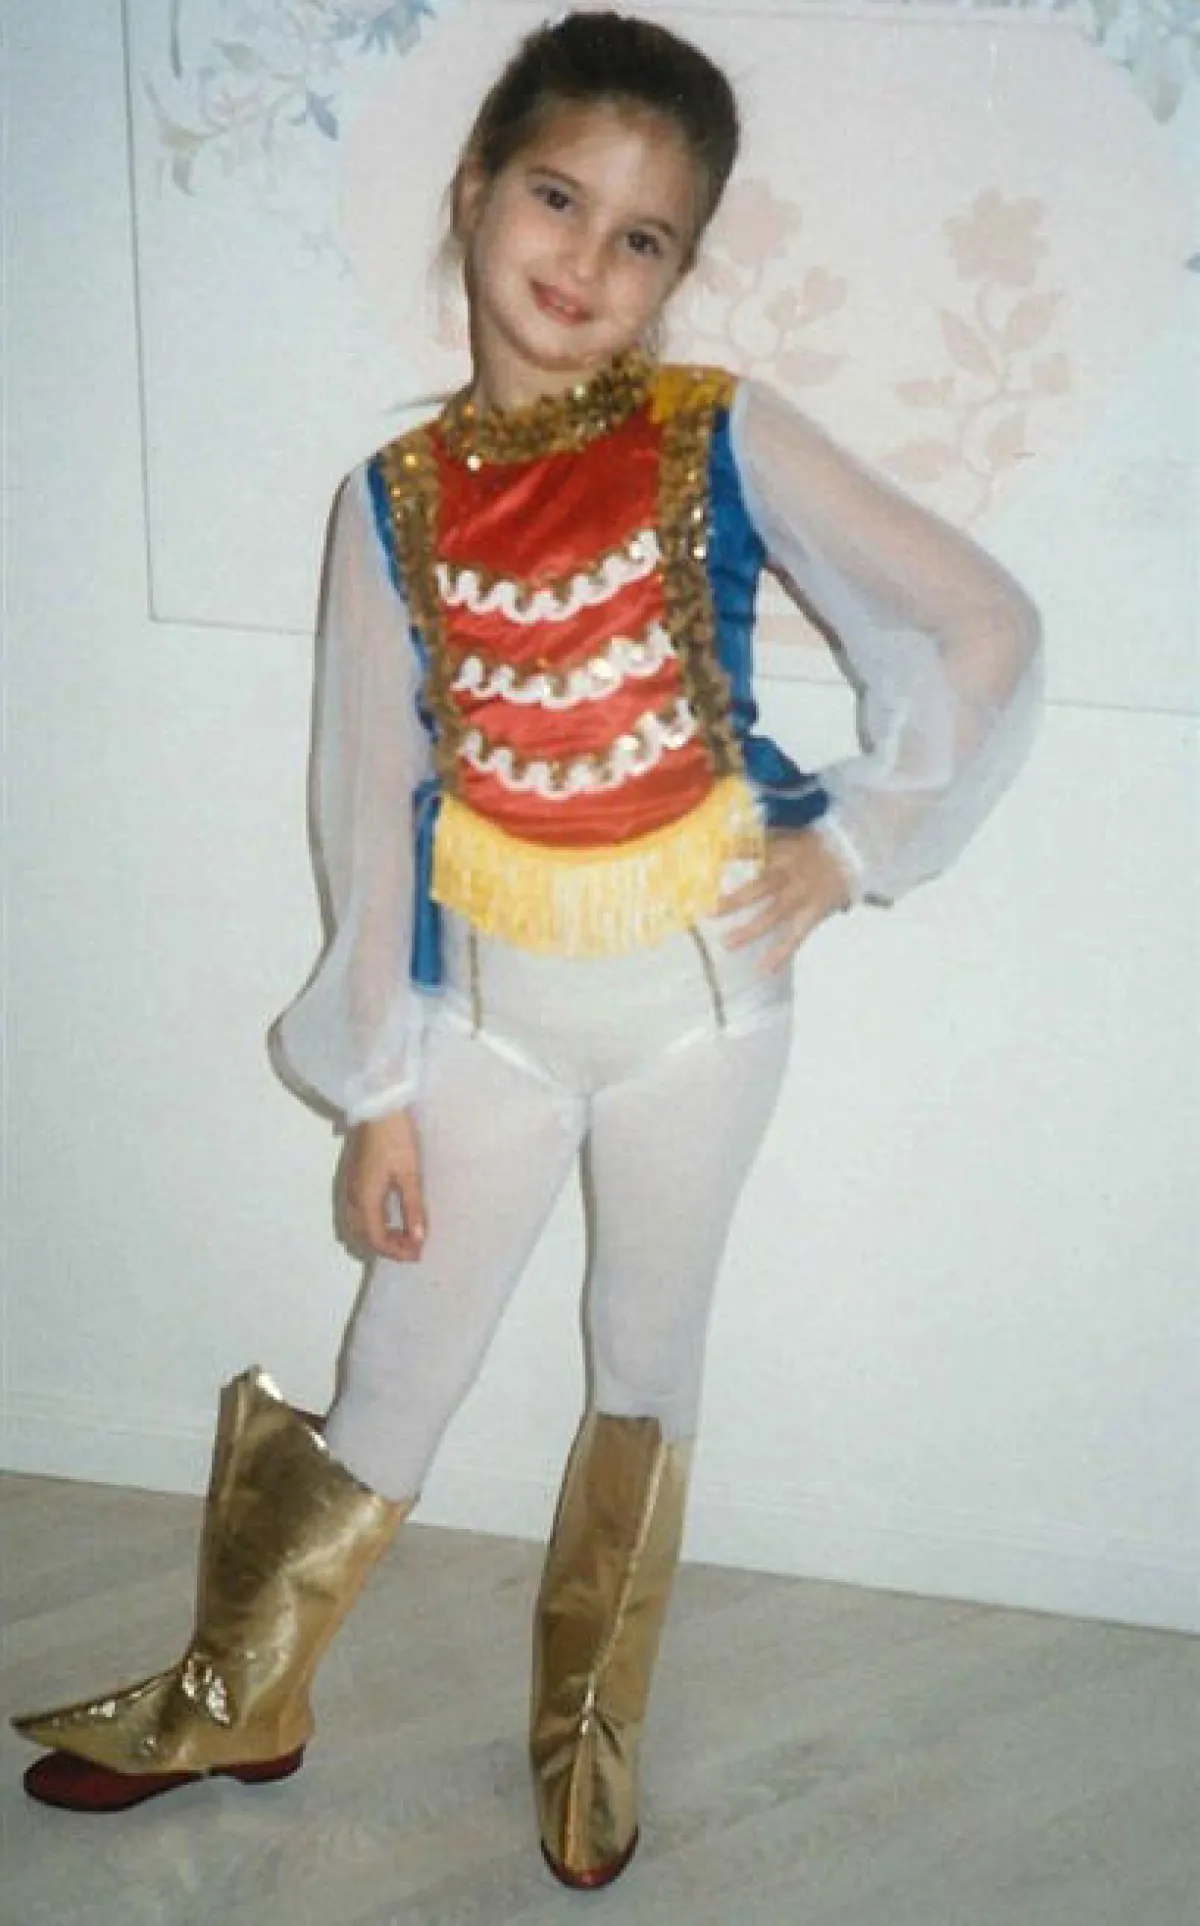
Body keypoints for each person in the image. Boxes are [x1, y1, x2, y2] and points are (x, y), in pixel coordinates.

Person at [13, 9, 1042, 1890]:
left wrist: (853, 848)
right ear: (478, 186)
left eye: (644, 235)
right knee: (400, 1354)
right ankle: (244, 1687)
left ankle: (590, 1727)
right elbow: (365, 807)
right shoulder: (386, 501)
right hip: (481, 1010)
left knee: (644, 1358)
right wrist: (378, 1092)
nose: (587, 259)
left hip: (703, 1014)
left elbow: (981, 624)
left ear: (681, 266)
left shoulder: (718, 432)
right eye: (558, 197)